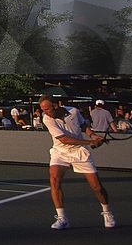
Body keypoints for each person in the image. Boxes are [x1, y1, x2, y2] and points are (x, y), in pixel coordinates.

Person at [38, 94, 115, 230]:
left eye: (47, 109)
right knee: (54, 180)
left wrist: (92, 135)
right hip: (60, 152)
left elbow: (84, 125)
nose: (45, 112)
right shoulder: (46, 119)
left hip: (79, 152)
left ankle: (107, 213)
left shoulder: (73, 111)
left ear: (56, 105)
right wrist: (90, 142)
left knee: (97, 188)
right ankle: (62, 218)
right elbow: (64, 140)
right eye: (43, 110)